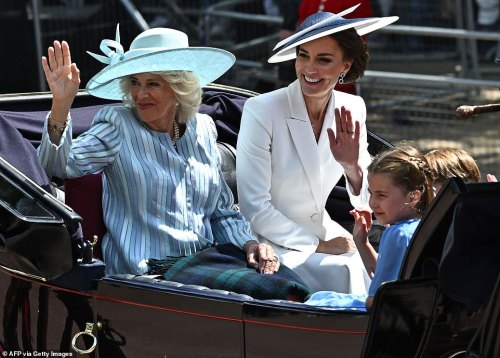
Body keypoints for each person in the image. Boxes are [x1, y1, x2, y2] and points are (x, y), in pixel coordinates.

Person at [37, 27, 286, 285]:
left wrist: (249, 244)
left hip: (204, 261)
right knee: (267, 291)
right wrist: (60, 106)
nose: (140, 94)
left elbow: (221, 213)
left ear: (179, 88)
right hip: (147, 272)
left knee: (287, 282)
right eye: (135, 82)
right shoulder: (118, 125)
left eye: (152, 83)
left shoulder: (202, 128)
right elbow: (57, 164)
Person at [236, 9, 398, 293]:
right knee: (347, 270)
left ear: (345, 66)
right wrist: (320, 245)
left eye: (324, 60)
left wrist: (352, 166)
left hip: (327, 231)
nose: (310, 69)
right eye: (303, 55)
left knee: (385, 270)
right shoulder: (262, 110)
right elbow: (254, 208)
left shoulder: (352, 107)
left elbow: (366, 198)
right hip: (272, 241)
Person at [304, 146, 434, 309]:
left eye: (381, 195)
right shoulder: (424, 225)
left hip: (379, 318)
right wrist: (362, 241)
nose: (372, 203)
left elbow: (377, 302)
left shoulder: (398, 234)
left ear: (413, 196)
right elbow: (381, 275)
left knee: (316, 299)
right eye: (371, 193)